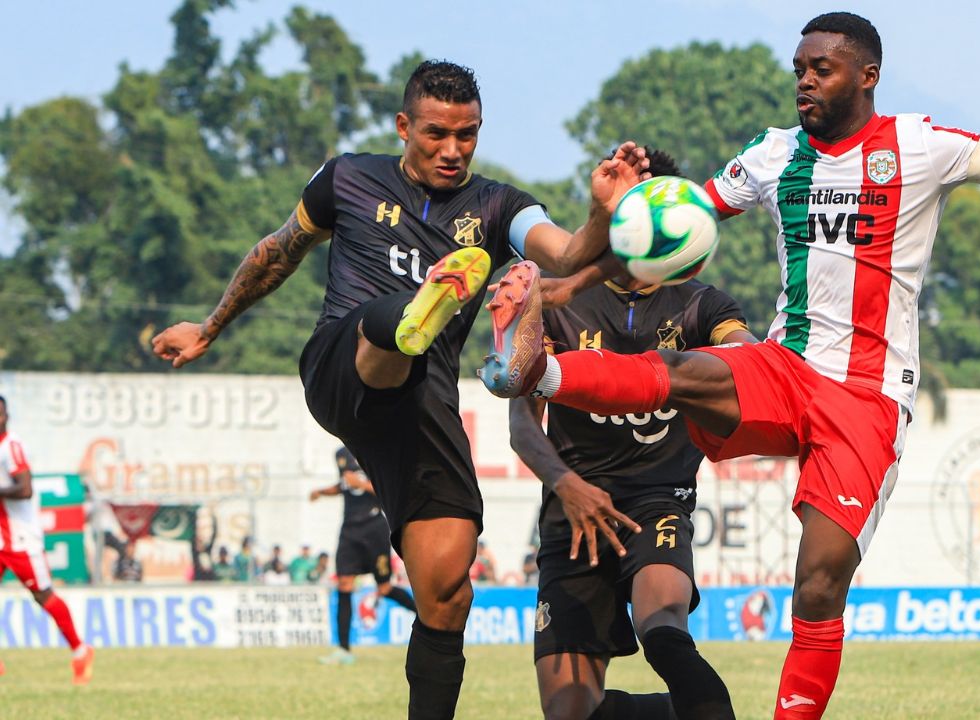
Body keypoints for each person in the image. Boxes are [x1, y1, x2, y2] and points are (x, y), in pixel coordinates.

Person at [480, 13, 980, 719]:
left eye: (821, 69)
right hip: (787, 366)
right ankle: (536, 373)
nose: (805, 82)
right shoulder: (773, 154)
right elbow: (673, 225)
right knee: (686, 368)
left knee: (819, 585)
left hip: (867, 398)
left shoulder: (919, 146)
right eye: (799, 70)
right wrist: (571, 283)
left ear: (867, 75)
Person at [151, 58, 646, 718]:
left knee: (447, 592)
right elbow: (279, 251)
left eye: (467, 134)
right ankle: (416, 310)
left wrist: (603, 211)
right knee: (387, 325)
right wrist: (209, 327)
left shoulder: (499, 205)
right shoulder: (347, 178)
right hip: (342, 365)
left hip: (422, 408)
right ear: (403, 126)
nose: (453, 149)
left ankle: (422, 313)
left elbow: (565, 252)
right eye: (436, 133)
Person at [510, 148, 749, 720]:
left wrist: (748, 357)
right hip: (573, 510)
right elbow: (521, 425)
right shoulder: (554, 300)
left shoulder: (701, 304)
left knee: (663, 633)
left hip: (658, 500)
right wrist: (567, 485)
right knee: (570, 714)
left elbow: (746, 358)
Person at [0, 395, 95, 684]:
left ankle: (80, 651)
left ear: (7, 416)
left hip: (21, 538)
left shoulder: (11, 446)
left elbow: (25, 489)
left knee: (43, 595)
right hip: (1, 537)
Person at [311, 446, 418, 665]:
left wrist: (361, 484)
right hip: (350, 530)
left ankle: (426, 617)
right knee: (344, 584)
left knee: (384, 588)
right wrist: (322, 492)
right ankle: (343, 650)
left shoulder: (375, 448)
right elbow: (343, 486)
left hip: (374, 528)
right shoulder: (341, 453)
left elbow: (388, 489)